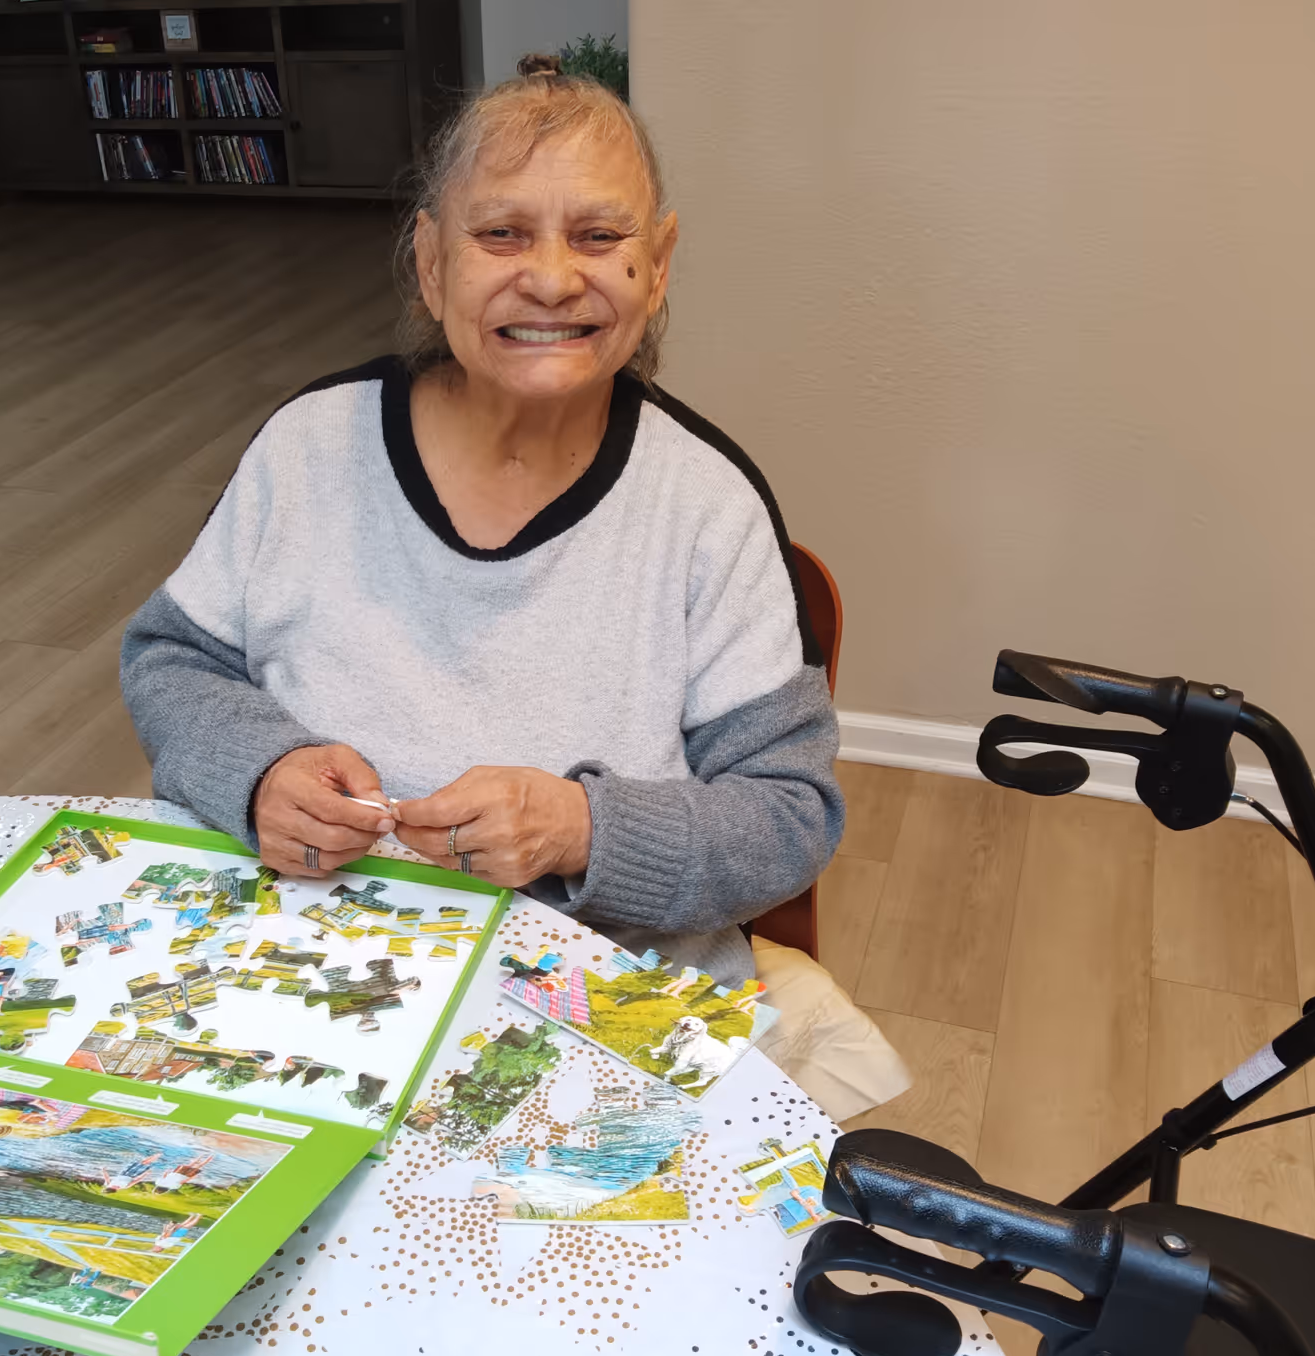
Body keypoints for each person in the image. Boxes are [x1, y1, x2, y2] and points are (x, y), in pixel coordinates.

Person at [120, 58, 843, 987]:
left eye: (597, 236)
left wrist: (579, 831)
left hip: (597, 995)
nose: (550, 280)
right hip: (308, 963)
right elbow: (173, 660)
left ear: (656, 267)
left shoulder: (707, 506)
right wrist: (258, 769)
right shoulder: (309, 445)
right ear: (432, 262)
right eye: (501, 234)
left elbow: (788, 819)